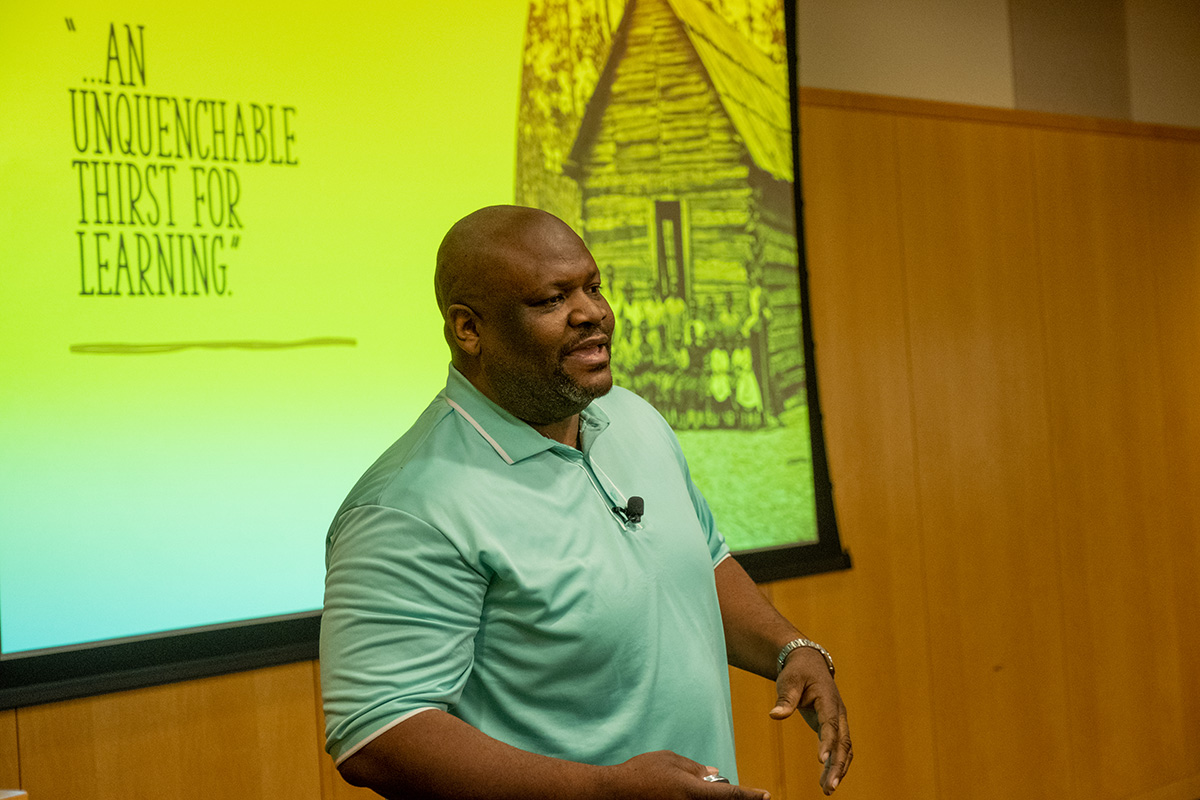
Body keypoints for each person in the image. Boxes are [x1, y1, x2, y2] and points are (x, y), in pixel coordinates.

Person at [320, 205, 852, 799]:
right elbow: (378, 735)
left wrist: (790, 649)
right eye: (551, 300)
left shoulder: (633, 418)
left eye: (593, 287)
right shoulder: (406, 506)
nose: (592, 313)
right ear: (469, 329)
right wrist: (603, 791)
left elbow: (697, 563)